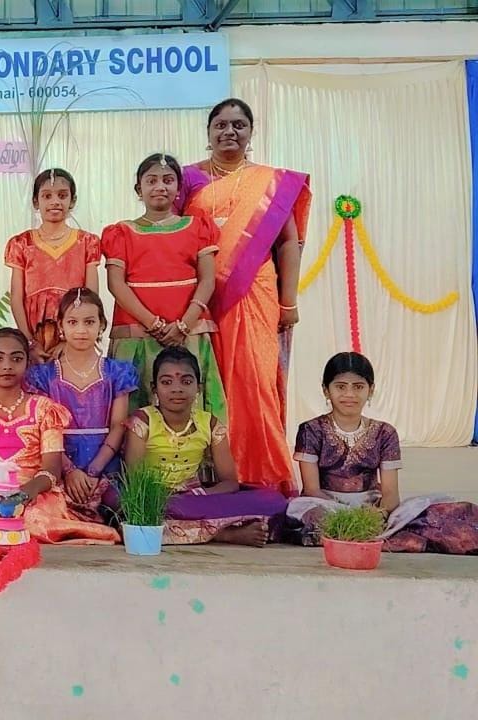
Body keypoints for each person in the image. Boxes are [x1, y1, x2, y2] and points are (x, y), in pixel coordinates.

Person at [177, 99, 312, 496]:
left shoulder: (269, 182)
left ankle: (262, 473)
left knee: (256, 381)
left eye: (239, 124)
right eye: (221, 124)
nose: (229, 131)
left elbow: (287, 243)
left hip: (255, 292)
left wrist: (289, 302)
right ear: (208, 132)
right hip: (201, 296)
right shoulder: (186, 179)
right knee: (208, 381)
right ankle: (210, 474)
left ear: (251, 132)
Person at [287, 352, 478, 554]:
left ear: (371, 390)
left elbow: (390, 494)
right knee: (301, 510)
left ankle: (361, 532)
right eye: (340, 387)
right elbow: (311, 490)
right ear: (326, 390)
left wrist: (375, 516)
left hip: (373, 509)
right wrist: (347, 515)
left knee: (436, 514)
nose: (349, 394)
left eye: (358, 387)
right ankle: (363, 533)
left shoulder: (385, 432)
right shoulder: (311, 430)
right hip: (326, 507)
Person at [0, 329, 119, 544]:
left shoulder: (45, 410)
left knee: (34, 518)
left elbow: (52, 469)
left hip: (34, 492)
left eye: (16, 359)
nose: (7, 366)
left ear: (27, 364)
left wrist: (25, 494)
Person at [120, 347, 287, 546]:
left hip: (195, 498)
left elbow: (230, 482)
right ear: (154, 388)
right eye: (166, 382)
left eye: (186, 382)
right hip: (155, 499)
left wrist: (198, 495)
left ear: (198, 388)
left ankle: (200, 527)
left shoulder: (210, 424)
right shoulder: (142, 421)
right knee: (124, 503)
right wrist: (165, 498)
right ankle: (224, 534)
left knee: (273, 500)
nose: (177, 389)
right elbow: (135, 482)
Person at [103, 153, 226, 419]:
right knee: (133, 410)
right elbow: (115, 283)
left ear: (178, 188)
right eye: (152, 181)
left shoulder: (198, 227)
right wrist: (154, 324)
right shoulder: (121, 232)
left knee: (190, 406)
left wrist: (184, 325)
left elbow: (207, 280)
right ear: (139, 189)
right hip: (136, 333)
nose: (160, 186)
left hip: (189, 332)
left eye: (168, 180)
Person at [25, 289, 138, 507]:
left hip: (105, 465)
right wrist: (70, 471)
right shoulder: (44, 376)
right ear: (61, 325)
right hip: (57, 461)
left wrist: (94, 471)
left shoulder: (116, 372)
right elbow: (43, 430)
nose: (81, 330)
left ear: (101, 325)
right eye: (72, 322)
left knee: (119, 505)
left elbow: (118, 426)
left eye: (89, 322)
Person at [6, 168, 102, 359]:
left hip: (75, 335)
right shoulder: (21, 243)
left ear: (72, 201)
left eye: (62, 195)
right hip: (35, 337)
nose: (55, 201)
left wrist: (70, 341)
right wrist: (29, 342)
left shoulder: (86, 242)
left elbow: (91, 297)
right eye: (47, 196)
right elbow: (17, 297)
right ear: (36, 201)